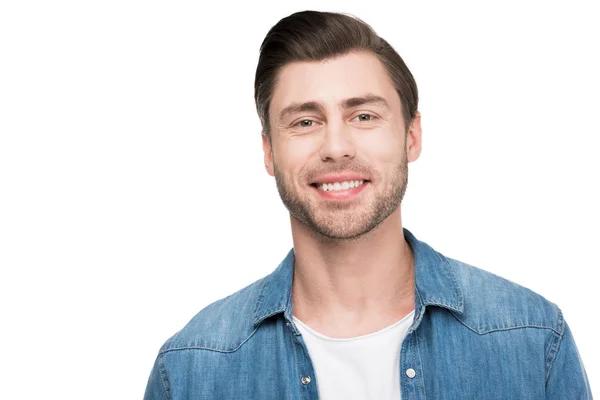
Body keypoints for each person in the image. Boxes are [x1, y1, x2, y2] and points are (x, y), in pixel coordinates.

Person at [144, 10, 592, 399]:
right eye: (305, 121)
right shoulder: (191, 369)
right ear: (268, 151)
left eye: (363, 116)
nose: (336, 147)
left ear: (411, 136)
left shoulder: (532, 340)